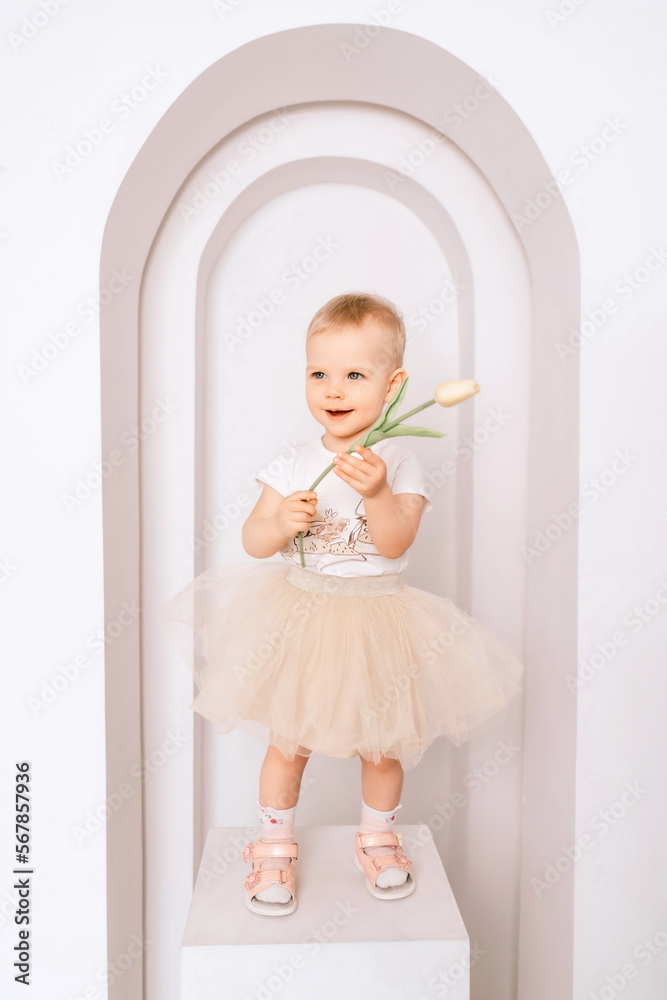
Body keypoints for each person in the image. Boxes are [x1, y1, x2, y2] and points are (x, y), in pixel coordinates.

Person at [156, 291, 524, 916]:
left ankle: (377, 839)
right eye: (319, 373)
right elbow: (252, 539)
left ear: (393, 385)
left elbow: (394, 539)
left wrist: (378, 491)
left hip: (378, 619)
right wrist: (281, 525)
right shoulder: (294, 462)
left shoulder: (400, 463)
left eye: (355, 375)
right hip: (300, 618)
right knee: (287, 739)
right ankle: (273, 847)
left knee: (382, 744)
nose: (334, 388)